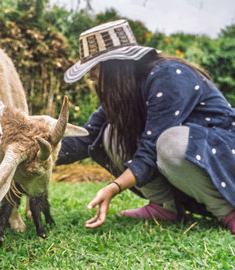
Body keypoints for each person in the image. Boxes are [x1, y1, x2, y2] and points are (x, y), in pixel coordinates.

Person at [58, 19, 235, 234]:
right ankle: (165, 208)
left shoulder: (168, 76)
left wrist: (114, 187)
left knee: (170, 142)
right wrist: (33, 153)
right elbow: (87, 136)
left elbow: (152, 149)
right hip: (189, 166)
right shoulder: (125, 92)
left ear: (116, 65)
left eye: (95, 67)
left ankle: (227, 211)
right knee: (111, 135)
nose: (90, 75)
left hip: (222, 154)